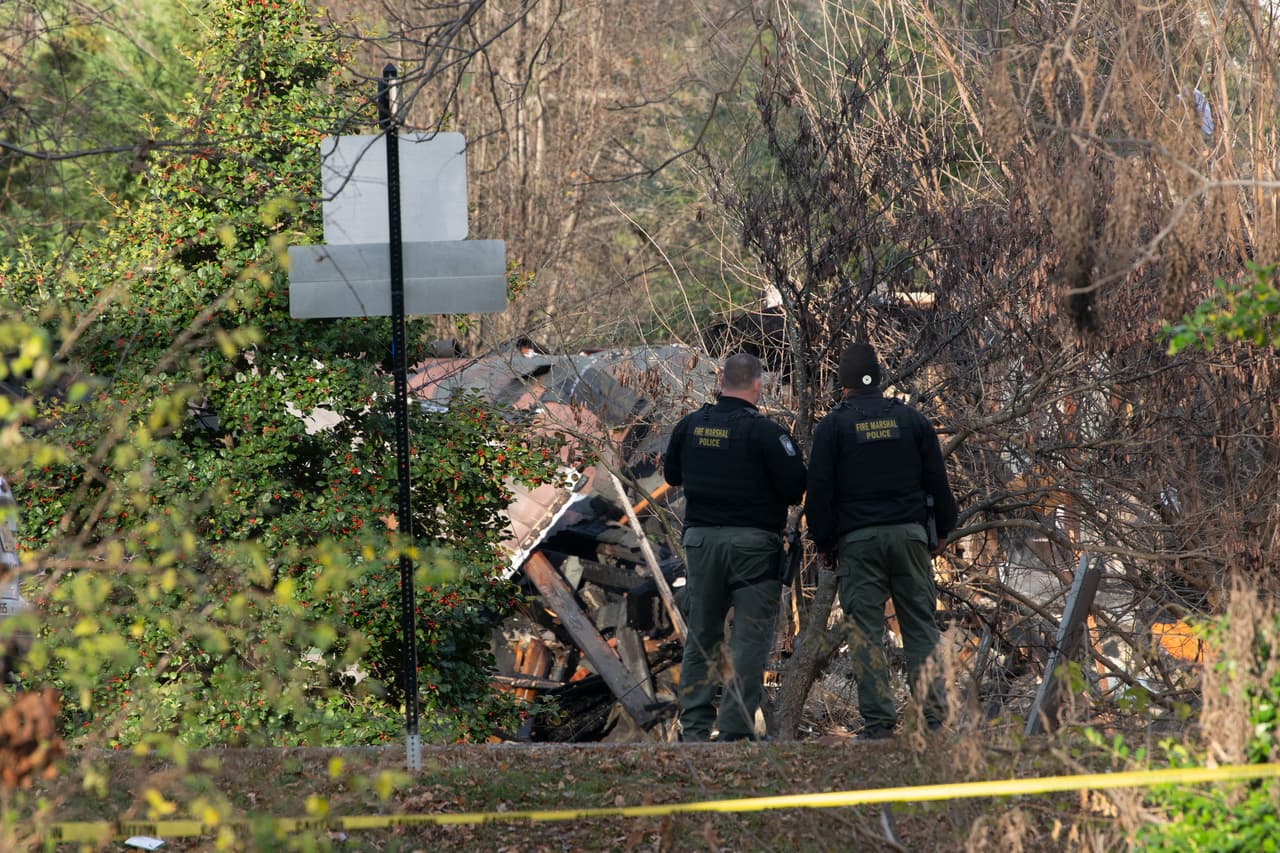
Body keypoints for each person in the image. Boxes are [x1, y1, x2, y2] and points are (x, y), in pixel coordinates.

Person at [805, 342, 958, 739]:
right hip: (910, 538)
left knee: (867, 633)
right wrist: (943, 530)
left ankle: (879, 725)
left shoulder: (833, 426)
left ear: (843, 384)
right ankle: (934, 720)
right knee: (920, 627)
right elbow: (937, 480)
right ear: (880, 376)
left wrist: (823, 542)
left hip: (858, 543)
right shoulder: (911, 420)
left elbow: (819, 490)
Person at [663, 352, 807, 742]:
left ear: (720, 383)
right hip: (753, 547)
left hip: (702, 543)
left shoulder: (689, 426)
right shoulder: (767, 433)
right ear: (758, 386)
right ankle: (734, 729)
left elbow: (671, 474)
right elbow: (796, 488)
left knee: (702, 634)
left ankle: (692, 729)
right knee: (749, 639)